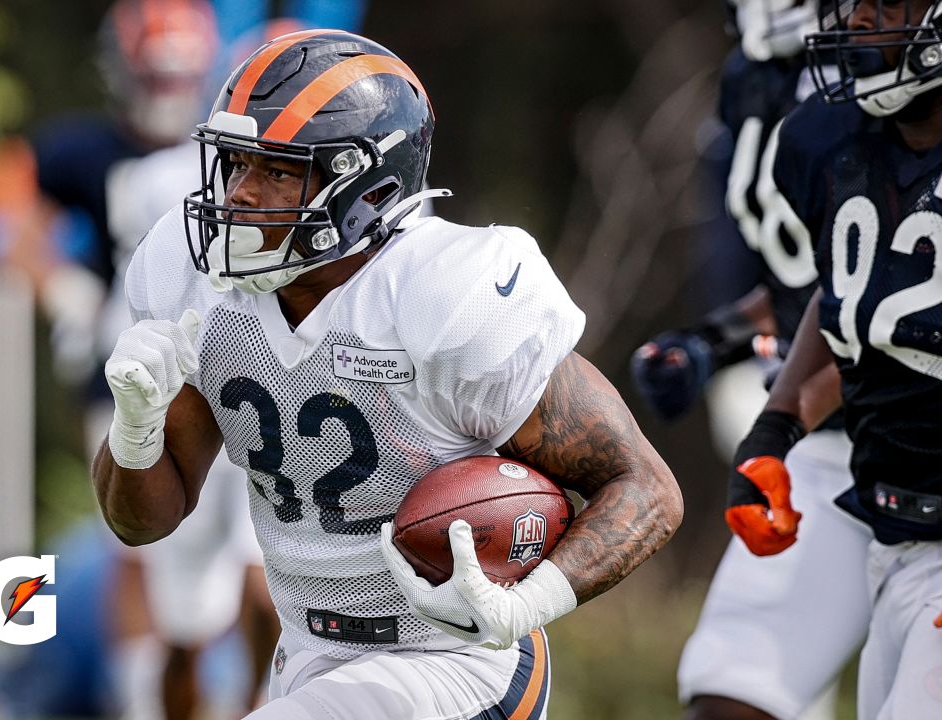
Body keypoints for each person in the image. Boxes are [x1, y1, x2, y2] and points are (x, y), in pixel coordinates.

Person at [93, 29, 683, 718]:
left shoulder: (443, 296)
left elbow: (646, 489)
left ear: (366, 189)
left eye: (278, 170)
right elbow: (142, 524)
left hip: (454, 665)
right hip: (310, 657)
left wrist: (524, 604)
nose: (243, 195)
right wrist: (135, 429)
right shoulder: (198, 285)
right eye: (236, 164)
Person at [23, 1, 279, 716]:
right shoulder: (85, 154)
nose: (166, 91)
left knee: (258, 561)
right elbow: (11, 228)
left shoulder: (236, 155)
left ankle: (260, 701)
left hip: (236, 370)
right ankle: (145, 701)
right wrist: (62, 289)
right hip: (131, 364)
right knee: (139, 545)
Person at [631, 2, 871, 718]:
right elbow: (819, 280)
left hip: (913, 453)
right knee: (733, 695)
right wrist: (714, 340)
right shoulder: (760, 81)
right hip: (838, 451)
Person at [725, 1, 942, 719]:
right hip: (893, 538)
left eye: (887, 5)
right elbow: (856, 293)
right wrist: (777, 427)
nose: (860, 24)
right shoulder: (828, 139)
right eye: (852, 5)